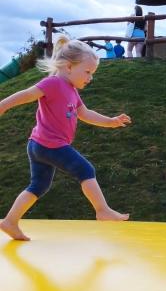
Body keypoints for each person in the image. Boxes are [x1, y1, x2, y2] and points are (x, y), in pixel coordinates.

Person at [0, 37, 131, 241]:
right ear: (69, 67)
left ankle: (10, 221)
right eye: (87, 72)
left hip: (39, 146)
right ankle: (102, 210)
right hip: (50, 144)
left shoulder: (72, 91)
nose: (90, 78)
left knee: (39, 185)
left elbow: (85, 113)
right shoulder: (53, 83)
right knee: (86, 170)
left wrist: (110, 121)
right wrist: (3, 105)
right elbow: (27, 94)